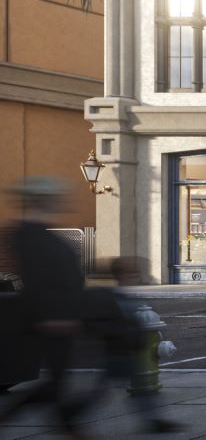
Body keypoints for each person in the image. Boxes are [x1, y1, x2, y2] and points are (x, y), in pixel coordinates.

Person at [0, 178, 86, 436]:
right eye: (53, 197)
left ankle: (66, 427)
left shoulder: (39, 233)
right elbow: (36, 279)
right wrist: (50, 317)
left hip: (61, 315)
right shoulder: (27, 234)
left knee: (58, 380)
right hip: (51, 318)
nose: (59, 201)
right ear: (40, 200)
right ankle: (66, 427)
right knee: (56, 381)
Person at [89, 257, 179, 434]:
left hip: (126, 350)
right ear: (122, 275)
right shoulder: (116, 298)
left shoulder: (120, 296)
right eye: (132, 273)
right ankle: (73, 417)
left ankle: (153, 420)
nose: (136, 276)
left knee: (139, 389)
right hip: (119, 351)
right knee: (109, 391)